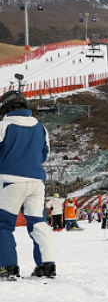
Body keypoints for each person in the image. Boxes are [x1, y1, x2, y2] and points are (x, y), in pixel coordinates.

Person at [0, 90, 56, 279]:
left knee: (3, 224)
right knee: (38, 222)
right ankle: (46, 265)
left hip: (9, 181)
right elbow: (44, 155)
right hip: (36, 182)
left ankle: (7, 267)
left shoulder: (4, 126)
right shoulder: (41, 128)